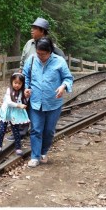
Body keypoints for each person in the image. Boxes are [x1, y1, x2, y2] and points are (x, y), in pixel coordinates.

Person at [23, 37, 74, 167]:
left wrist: (63, 87)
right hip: (35, 101)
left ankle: (44, 152)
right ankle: (35, 156)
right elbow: (26, 76)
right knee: (36, 130)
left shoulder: (59, 61)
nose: (40, 56)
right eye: (38, 53)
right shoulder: (32, 59)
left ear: (50, 51)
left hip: (53, 103)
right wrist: (26, 88)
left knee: (49, 130)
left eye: (43, 54)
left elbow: (68, 78)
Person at [0, 72, 29, 155]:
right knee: (2, 129)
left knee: (16, 130)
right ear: (12, 82)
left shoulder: (21, 91)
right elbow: (9, 102)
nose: (17, 85)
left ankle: (18, 147)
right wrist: (19, 105)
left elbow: (23, 101)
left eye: (19, 83)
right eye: (15, 83)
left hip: (14, 113)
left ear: (22, 84)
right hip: (6, 112)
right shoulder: (9, 90)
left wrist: (27, 97)